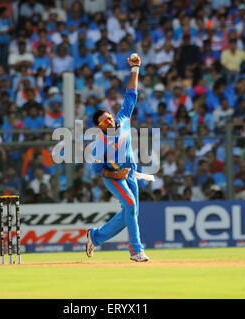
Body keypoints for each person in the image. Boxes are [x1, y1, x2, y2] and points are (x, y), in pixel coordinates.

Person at [86, 53, 150, 262]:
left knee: (129, 213)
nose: (110, 121)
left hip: (129, 173)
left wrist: (135, 69)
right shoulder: (99, 146)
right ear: (99, 127)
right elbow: (99, 172)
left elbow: (131, 94)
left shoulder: (122, 120)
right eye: (105, 121)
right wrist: (117, 173)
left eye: (110, 117)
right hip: (113, 177)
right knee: (130, 206)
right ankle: (136, 250)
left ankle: (95, 236)